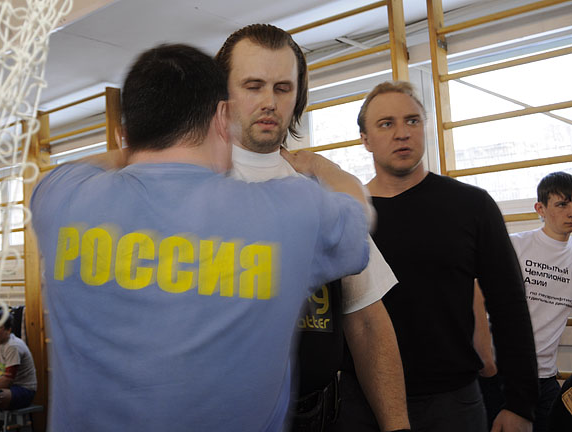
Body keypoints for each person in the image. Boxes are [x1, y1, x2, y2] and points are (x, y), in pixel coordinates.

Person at [30, 44, 372, 431]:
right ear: (222, 118)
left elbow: (71, 170)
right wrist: (322, 167)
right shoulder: (289, 209)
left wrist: (134, 148)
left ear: (122, 134)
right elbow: (357, 212)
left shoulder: (60, 199)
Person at [215, 24, 409, 432]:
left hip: (319, 415)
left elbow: (367, 321)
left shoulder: (322, 190)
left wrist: (397, 426)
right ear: (222, 94)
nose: (269, 102)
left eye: (283, 88)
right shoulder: (189, 185)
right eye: (253, 86)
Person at [348, 80, 539, 432]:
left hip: (452, 402)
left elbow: (509, 305)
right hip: (365, 400)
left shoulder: (472, 205)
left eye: (412, 121)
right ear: (365, 139)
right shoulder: (347, 216)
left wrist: (520, 403)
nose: (402, 133)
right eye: (386, 124)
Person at [477, 171, 572, 431]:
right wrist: (487, 362)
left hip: (544, 377)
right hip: (502, 374)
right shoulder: (515, 246)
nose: (570, 211)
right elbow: (475, 299)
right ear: (540, 209)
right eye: (562, 204)